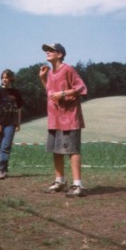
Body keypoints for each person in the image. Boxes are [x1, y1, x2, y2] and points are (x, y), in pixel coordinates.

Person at [39, 43, 87, 197]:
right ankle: (60, 181)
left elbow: (81, 88)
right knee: (56, 150)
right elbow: (50, 93)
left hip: (69, 117)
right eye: (46, 50)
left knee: (72, 150)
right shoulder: (51, 72)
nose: (47, 52)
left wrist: (63, 93)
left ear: (59, 54)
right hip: (54, 118)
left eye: (51, 50)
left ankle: (77, 185)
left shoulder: (68, 69)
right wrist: (42, 78)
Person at [0, 69, 23, 179]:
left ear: (11, 79)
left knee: (6, 147)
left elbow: (19, 108)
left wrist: (18, 122)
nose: (5, 79)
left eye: (7, 77)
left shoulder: (16, 92)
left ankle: (0, 170)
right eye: (3, 77)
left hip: (11, 124)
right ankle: (3, 166)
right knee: (0, 147)